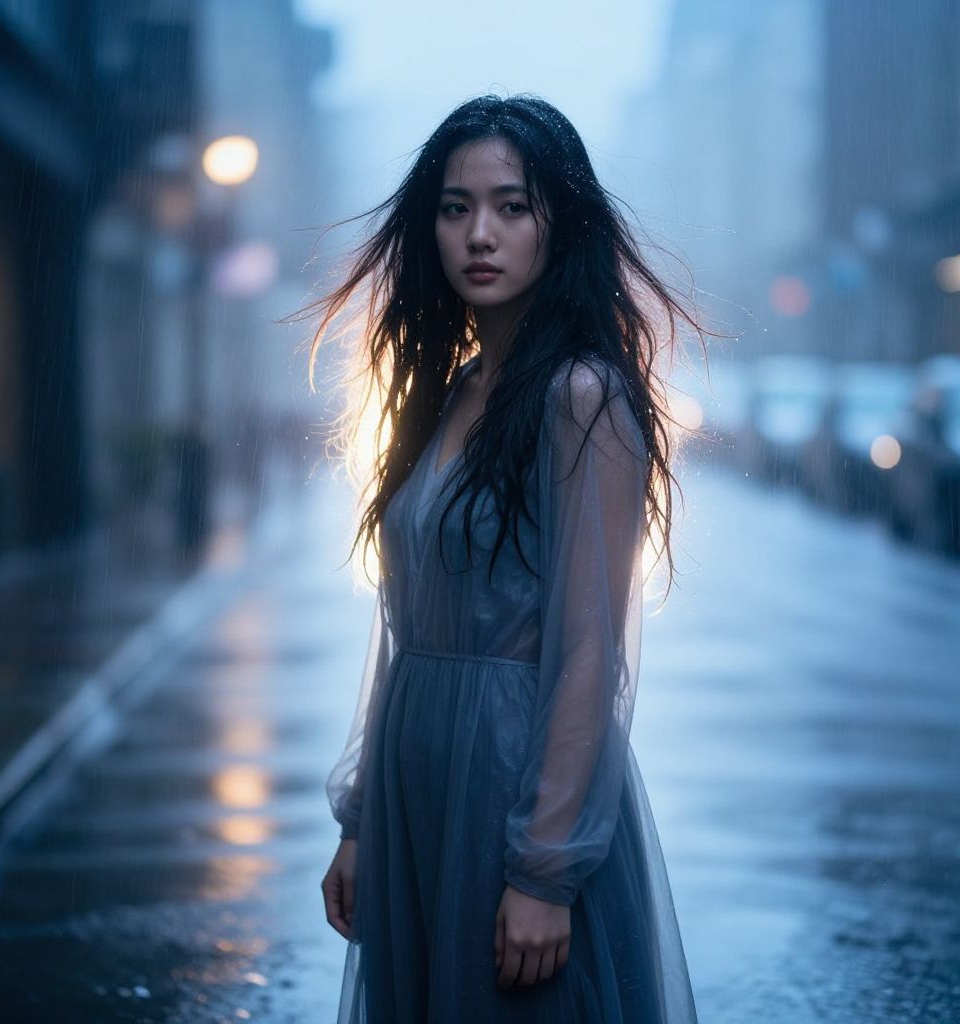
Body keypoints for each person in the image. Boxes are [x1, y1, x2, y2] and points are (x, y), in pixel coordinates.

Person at [305, 93, 707, 1023]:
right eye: (456, 208)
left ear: (558, 226)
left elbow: (588, 648)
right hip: (418, 783)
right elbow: (403, 630)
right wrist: (363, 822)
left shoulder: (581, 397)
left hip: (510, 779)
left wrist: (544, 868)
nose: (479, 234)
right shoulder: (448, 393)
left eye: (511, 207)